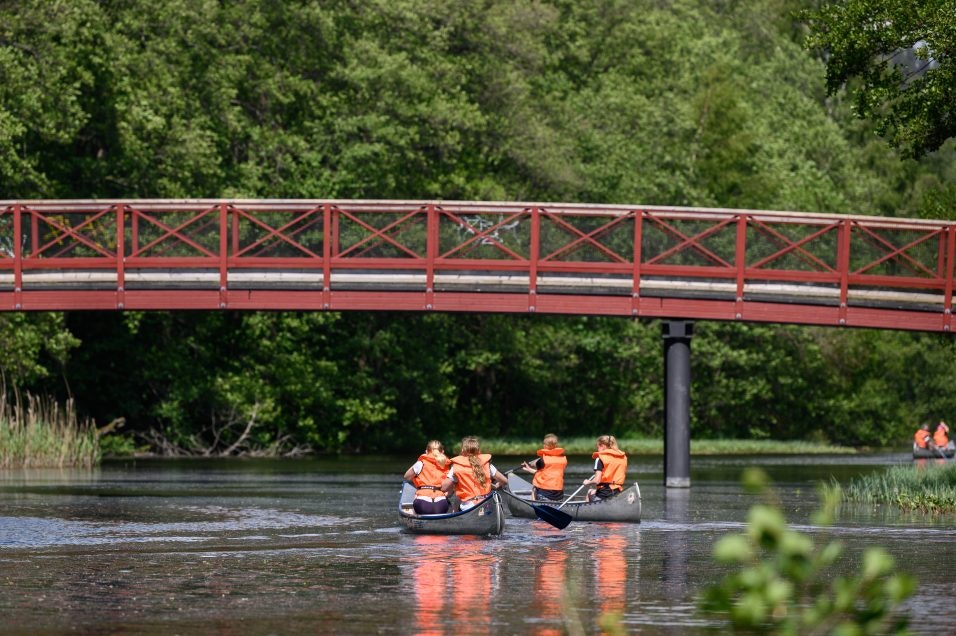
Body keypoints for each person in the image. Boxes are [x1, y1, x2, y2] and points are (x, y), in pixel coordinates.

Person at [441, 436, 508, 510]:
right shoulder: (487, 464)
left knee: (457, 500)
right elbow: (504, 481)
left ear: (463, 450)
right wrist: (495, 486)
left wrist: (455, 483)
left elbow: (444, 487)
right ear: (478, 450)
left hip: (469, 506)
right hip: (487, 503)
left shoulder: (456, 467)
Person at [403, 440, 450, 515]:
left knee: (416, 495)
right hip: (441, 504)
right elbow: (450, 487)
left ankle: (415, 516)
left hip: (423, 504)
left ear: (426, 451)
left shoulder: (420, 463)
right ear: (443, 451)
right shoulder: (446, 466)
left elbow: (406, 477)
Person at [521, 433, 567, 501]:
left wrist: (533, 464)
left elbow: (537, 467)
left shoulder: (542, 460)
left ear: (545, 446)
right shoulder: (563, 460)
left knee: (534, 487)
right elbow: (543, 473)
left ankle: (533, 504)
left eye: (544, 444)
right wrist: (529, 469)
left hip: (545, 495)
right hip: (559, 495)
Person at [582, 434, 628, 502]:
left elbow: (597, 481)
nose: (597, 450)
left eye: (597, 447)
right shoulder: (623, 457)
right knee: (594, 491)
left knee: (590, 491)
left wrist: (588, 482)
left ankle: (588, 511)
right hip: (618, 492)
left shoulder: (600, 458)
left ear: (602, 446)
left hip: (604, 493)